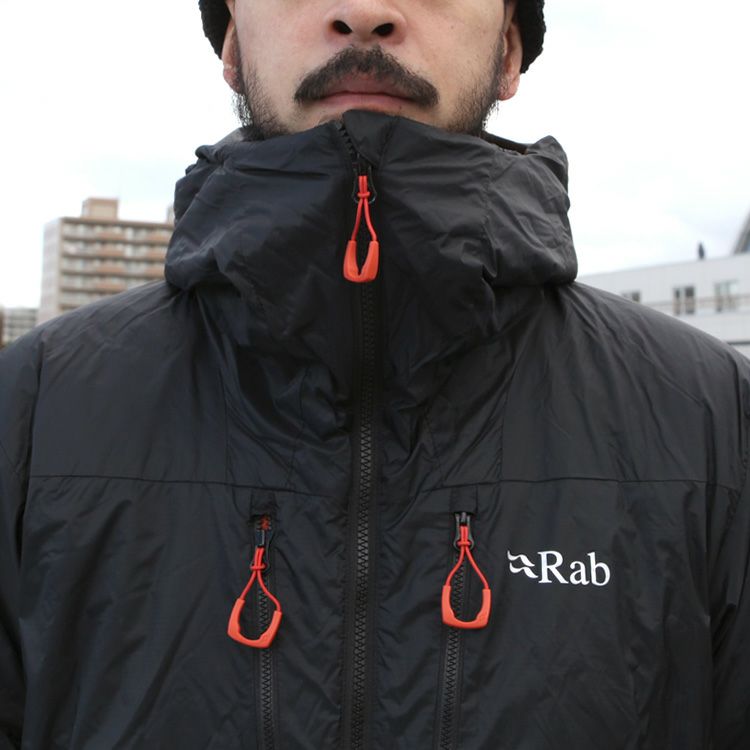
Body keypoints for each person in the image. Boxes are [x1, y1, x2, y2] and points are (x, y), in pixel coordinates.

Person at [1, 0, 748, 747]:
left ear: (510, 49)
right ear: (231, 41)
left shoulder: (711, 421)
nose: (364, 11)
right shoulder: (35, 409)